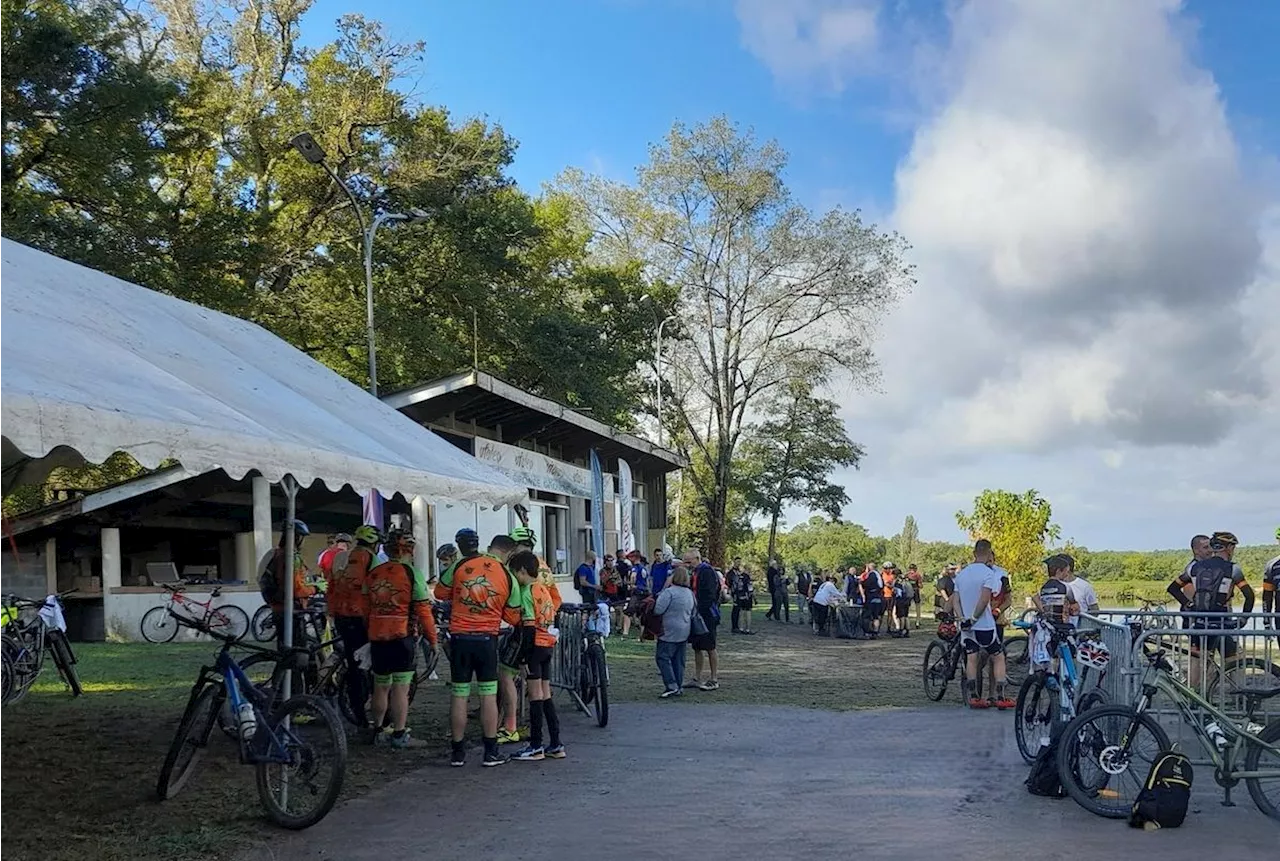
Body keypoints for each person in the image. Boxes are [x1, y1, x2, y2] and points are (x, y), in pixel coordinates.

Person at [434, 527, 522, 768]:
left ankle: (458, 753)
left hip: (460, 638)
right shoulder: (506, 574)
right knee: (488, 695)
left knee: (459, 695)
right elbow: (514, 617)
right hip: (487, 640)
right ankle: (490, 752)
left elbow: (440, 592)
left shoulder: (462, 564)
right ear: (508, 552)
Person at [365, 530, 437, 748]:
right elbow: (423, 610)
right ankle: (399, 734)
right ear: (409, 550)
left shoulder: (374, 573)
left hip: (377, 635)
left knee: (380, 685)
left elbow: (365, 605)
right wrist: (433, 639)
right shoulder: (411, 573)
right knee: (400, 688)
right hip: (402, 636)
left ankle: (377, 730)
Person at [1167, 531, 1254, 685]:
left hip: (1200, 622)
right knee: (1234, 661)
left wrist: (1190, 605)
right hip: (1223, 622)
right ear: (1228, 548)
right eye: (1233, 547)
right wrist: (1243, 620)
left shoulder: (1194, 568)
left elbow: (1173, 588)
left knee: (1198, 662)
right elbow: (1249, 596)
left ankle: (1194, 700)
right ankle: (1241, 697)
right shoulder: (1233, 569)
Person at [510, 551, 566, 761]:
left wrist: (523, 658)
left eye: (515, 573)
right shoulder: (543, 589)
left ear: (523, 571)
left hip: (534, 646)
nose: (515, 578)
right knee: (545, 694)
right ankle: (556, 743)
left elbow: (528, 627)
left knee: (534, 696)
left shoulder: (526, 592)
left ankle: (535, 745)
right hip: (548, 646)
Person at [950, 539, 1015, 710]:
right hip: (983, 624)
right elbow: (985, 598)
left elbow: (955, 600)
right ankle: (1000, 695)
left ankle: (974, 697)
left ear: (974, 553)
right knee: (998, 656)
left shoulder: (961, 574)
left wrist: (963, 617)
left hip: (966, 625)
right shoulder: (988, 574)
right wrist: (974, 617)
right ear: (988, 553)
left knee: (972, 657)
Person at [326, 526, 380, 730]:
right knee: (370, 664)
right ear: (375, 543)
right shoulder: (372, 559)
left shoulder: (341, 557)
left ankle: (357, 712)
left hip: (341, 616)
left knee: (353, 662)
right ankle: (369, 713)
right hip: (361, 618)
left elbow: (332, 585)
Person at [487, 533, 524, 746]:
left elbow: (512, 615)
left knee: (504, 677)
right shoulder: (511, 573)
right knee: (537, 685)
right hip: (534, 632)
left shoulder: (510, 574)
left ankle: (509, 726)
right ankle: (508, 725)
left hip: (520, 631)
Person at [259, 519, 315, 651]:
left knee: (284, 649)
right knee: (298, 653)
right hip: (290, 610)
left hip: (278, 608)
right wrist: (314, 588)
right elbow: (294, 589)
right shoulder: (289, 557)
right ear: (297, 537)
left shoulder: (278, 553)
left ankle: (284, 671)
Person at [654, 565, 696, 697]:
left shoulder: (669, 592)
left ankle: (671, 684)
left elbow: (658, 610)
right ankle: (678, 684)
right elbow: (694, 611)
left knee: (662, 657)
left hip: (668, 629)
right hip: (684, 629)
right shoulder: (689, 593)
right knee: (679, 660)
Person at [686, 551, 721, 691]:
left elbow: (711, 594)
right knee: (697, 646)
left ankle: (714, 678)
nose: (687, 565)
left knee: (710, 646)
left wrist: (701, 608)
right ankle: (697, 677)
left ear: (697, 559)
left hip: (707, 614)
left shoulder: (707, 572)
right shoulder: (695, 572)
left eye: (689, 562)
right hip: (696, 613)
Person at [861, 563, 885, 637]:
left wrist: (861, 582)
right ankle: (876, 631)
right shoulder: (879, 575)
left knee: (868, 616)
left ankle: (868, 631)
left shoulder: (872, 575)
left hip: (871, 598)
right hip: (878, 597)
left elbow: (867, 584)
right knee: (876, 616)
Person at [732, 565, 756, 634]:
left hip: (739, 596)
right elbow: (750, 588)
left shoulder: (737, 577)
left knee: (741, 612)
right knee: (748, 613)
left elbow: (734, 587)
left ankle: (741, 628)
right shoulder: (747, 577)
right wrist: (754, 597)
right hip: (747, 597)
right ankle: (748, 629)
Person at [892, 566, 913, 638]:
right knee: (906, 616)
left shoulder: (898, 581)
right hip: (907, 600)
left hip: (901, 600)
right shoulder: (905, 580)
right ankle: (907, 631)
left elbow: (898, 593)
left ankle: (901, 631)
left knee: (901, 616)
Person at [906, 563, 924, 628]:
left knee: (907, 606)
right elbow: (920, 585)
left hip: (908, 592)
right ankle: (917, 621)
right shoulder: (918, 575)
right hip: (915, 591)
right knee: (918, 606)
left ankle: (906, 620)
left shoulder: (907, 575)